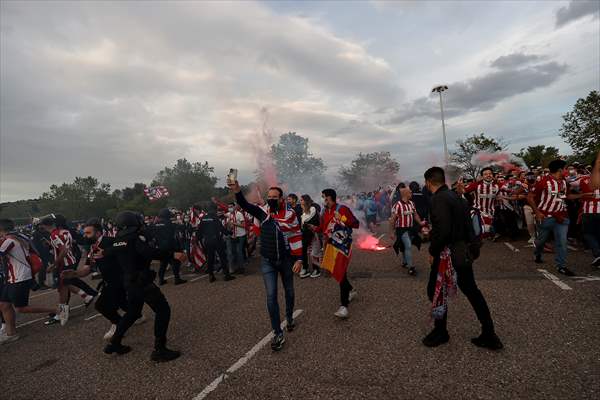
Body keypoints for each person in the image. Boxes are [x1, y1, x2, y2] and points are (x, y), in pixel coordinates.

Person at [422, 167, 502, 350]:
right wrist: (473, 248)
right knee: (471, 290)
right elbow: (468, 224)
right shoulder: (456, 197)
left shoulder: (439, 199)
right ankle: (489, 332)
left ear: (428, 182)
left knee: (434, 290)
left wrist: (433, 252)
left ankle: (441, 331)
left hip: (448, 253)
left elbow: (443, 231)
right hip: (463, 251)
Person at [229, 180, 302, 352]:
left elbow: (296, 235)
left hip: (286, 260)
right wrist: (238, 190)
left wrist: (299, 259)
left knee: (289, 291)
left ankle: (289, 317)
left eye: (274, 197)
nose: (271, 200)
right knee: (271, 296)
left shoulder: (291, 215)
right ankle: (278, 333)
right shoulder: (263, 213)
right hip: (268, 261)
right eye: (269, 197)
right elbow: (244, 205)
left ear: (281, 199)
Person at [103, 211, 180, 362]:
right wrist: (172, 255)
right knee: (163, 310)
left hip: (129, 282)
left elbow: (109, 254)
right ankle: (160, 349)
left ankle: (115, 343)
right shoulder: (134, 238)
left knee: (132, 312)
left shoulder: (118, 240)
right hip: (141, 281)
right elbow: (149, 252)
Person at [60, 219, 131, 341]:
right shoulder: (92, 248)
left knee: (101, 305)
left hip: (121, 279)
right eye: (84, 233)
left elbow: (126, 251)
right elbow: (87, 268)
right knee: (122, 303)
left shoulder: (110, 241)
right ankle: (136, 316)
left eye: (88, 233)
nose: (84, 235)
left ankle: (119, 326)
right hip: (110, 281)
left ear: (98, 233)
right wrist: (74, 274)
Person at [0, 219, 63, 344]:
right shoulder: (18, 236)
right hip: (14, 277)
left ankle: (57, 310)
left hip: (19, 277)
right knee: (4, 304)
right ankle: (10, 333)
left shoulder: (9, 241)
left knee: (21, 308)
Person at [39, 216, 98, 326]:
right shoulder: (64, 231)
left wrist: (54, 264)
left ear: (44, 225)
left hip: (64, 263)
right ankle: (83, 297)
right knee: (64, 286)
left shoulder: (54, 234)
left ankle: (64, 313)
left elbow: (64, 250)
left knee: (63, 288)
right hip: (70, 260)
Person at [312, 188, 360, 319]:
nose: (323, 200)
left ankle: (344, 306)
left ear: (330, 197)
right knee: (335, 272)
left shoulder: (343, 209)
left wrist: (343, 218)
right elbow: (322, 228)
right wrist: (313, 228)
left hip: (343, 246)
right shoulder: (324, 212)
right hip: (331, 245)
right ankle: (350, 289)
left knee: (340, 271)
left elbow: (356, 224)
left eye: (324, 197)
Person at [528, 159, 577, 276]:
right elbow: (530, 197)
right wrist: (537, 212)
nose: (567, 171)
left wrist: (584, 195)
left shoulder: (564, 182)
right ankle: (537, 252)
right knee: (541, 241)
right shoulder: (543, 182)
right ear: (560, 169)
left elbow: (567, 196)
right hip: (546, 217)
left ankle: (561, 266)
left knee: (562, 241)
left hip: (561, 217)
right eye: (566, 168)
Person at [196, 203, 236, 283]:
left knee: (210, 258)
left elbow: (199, 231)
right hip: (217, 240)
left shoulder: (203, 218)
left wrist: (199, 239)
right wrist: (230, 233)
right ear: (214, 209)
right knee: (222, 257)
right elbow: (221, 228)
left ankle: (211, 276)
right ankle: (226, 275)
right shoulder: (215, 217)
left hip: (207, 241)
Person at [390, 188, 424, 276]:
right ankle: (411, 267)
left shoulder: (412, 203)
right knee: (408, 245)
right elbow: (393, 219)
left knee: (404, 245)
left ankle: (405, 261)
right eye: (410, 192)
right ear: (405, 194)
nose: (412, 193)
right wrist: (392, 232)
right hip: (401, 229)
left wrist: (420, 222)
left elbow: (415, 214)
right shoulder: (397, 205)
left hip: (410, 229)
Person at [151, 208, 187, 286]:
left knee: (163, 263)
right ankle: (177, 279)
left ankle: (161, 280)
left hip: (160, 246)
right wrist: (180, 222)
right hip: (170, 245)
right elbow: (182, 228)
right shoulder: (170, 223)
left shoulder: (155, 224)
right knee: (175, 262)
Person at [465, 167, 499, 238]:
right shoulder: (476, 185)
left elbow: (509, 190)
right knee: (477, 232)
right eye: (485, 174)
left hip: (490, 213)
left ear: (492, 175)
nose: (488, 175)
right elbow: (464, 191)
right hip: (477, 211)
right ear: (482, 176)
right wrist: (460, 187)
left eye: (490, 174)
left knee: (485, 233)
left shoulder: (497, 185)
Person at [579, 158, 600, 268]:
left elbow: (572, 185)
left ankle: (598, 254)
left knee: (588, 233)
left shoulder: (584, 179)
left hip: (589, 211)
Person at [299, 194, 321, 279]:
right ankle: (305, 268)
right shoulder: (302, 211)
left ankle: (316, 269)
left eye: (302, 200)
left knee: (314, 251)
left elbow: (311, 220)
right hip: (304, 234)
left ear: (306, 200)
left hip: (312, 234)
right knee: (303, 251)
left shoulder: (313, 208)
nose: (300, 201)